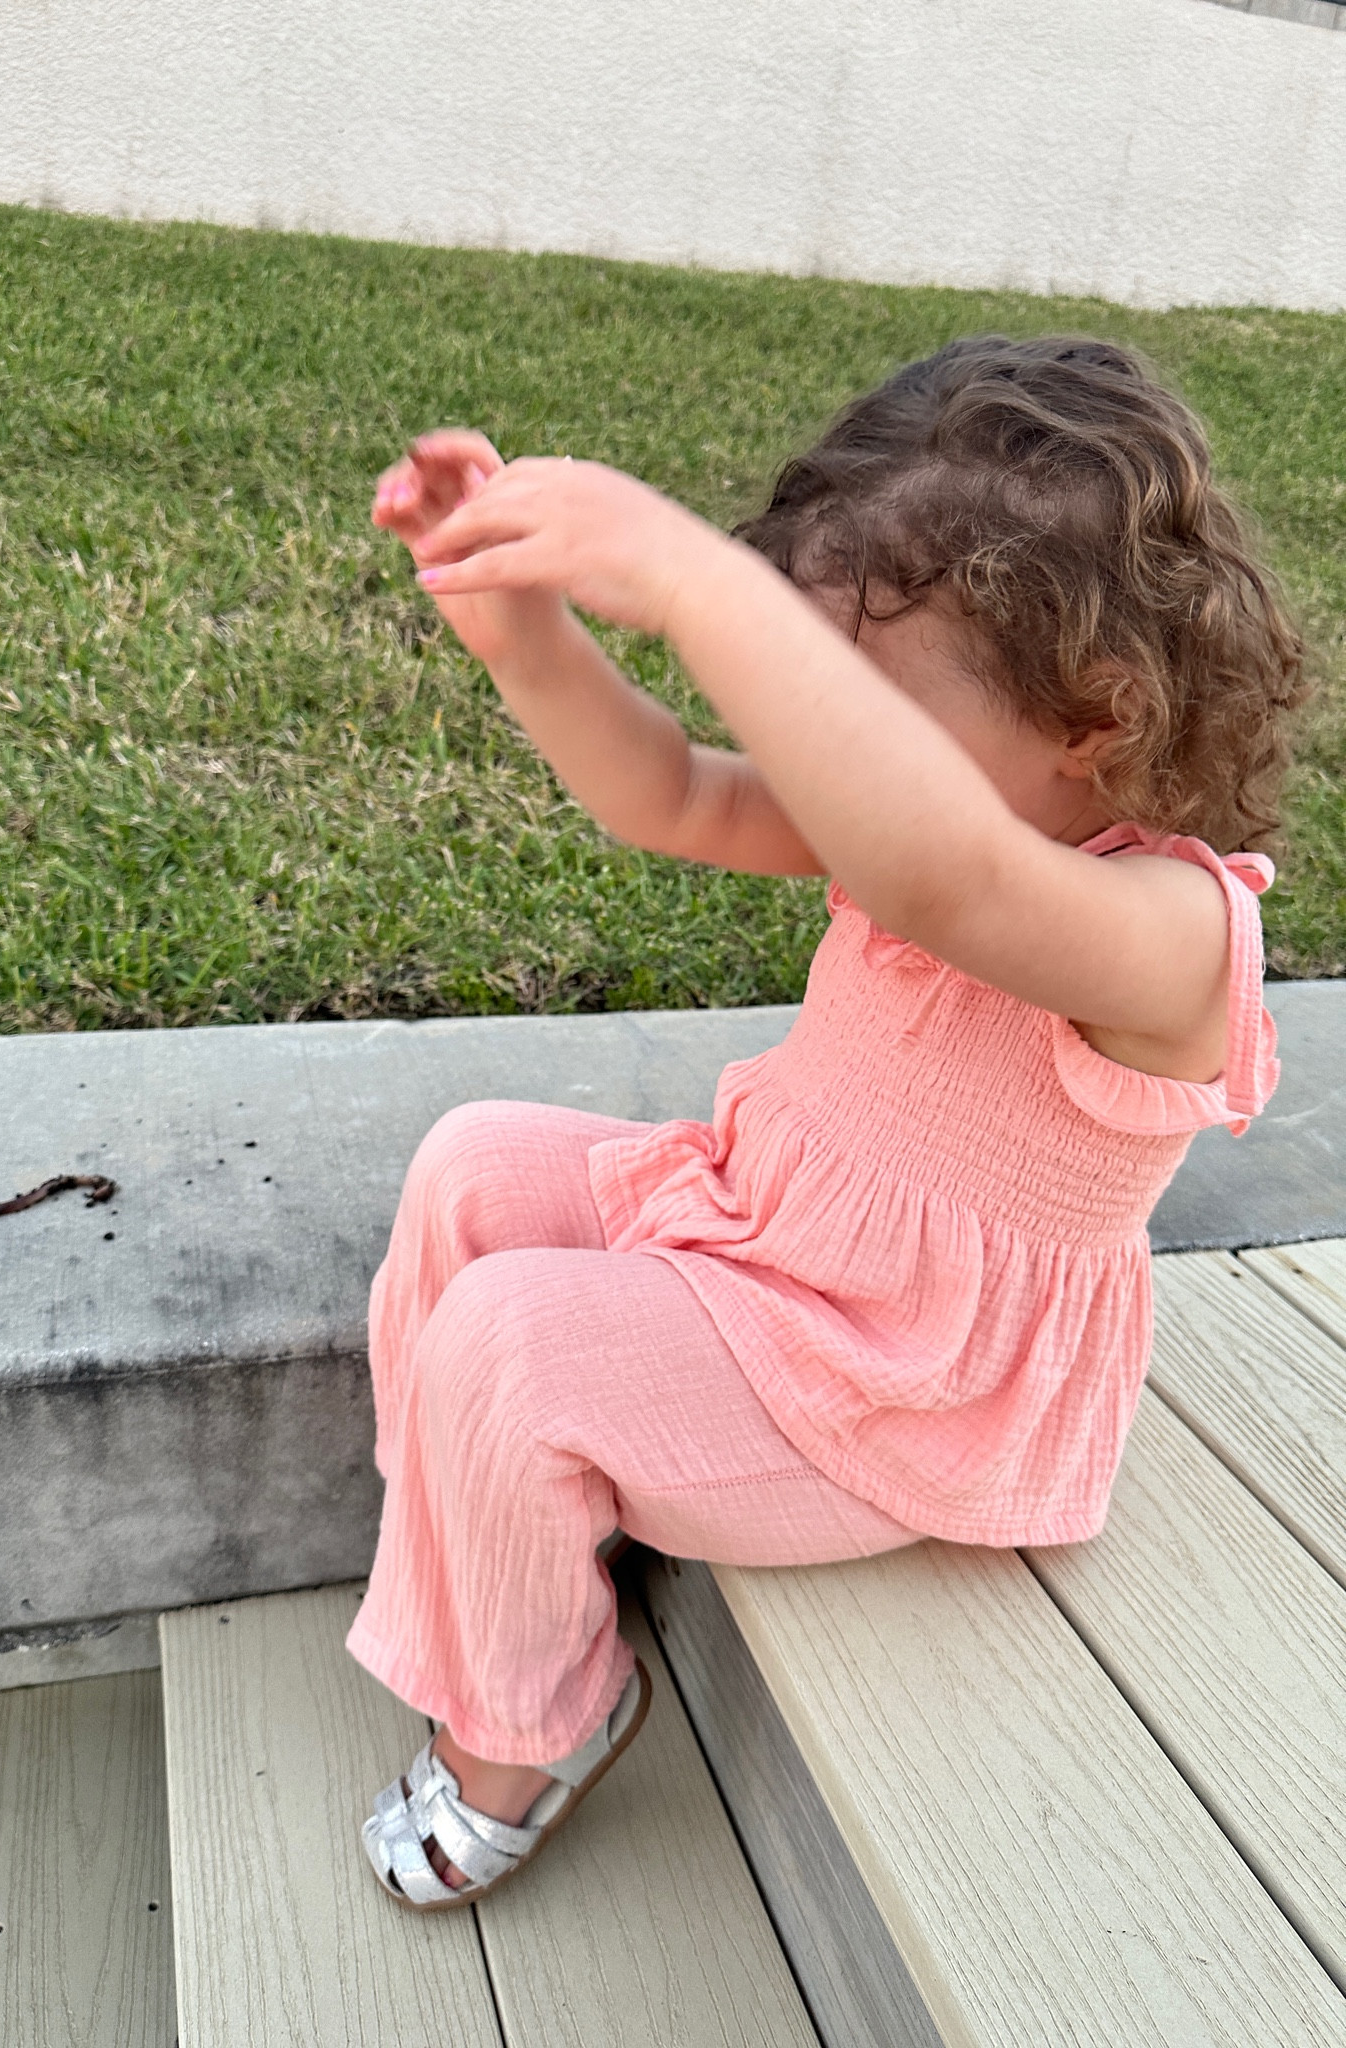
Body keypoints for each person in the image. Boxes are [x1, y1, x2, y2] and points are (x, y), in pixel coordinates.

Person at [349, 336, 1306, 1911]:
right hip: (769, 1234)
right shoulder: (937, 804)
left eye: (850, 697)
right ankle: (475, 1564)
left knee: (512, 1342)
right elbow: (668, 792)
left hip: (909, 1385)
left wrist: (694, 582)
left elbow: (949, 881)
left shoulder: (1167, 933)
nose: (808, 739)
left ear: (1097, 713)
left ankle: (536, 1720)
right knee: (472, 1166)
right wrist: (525, 635)